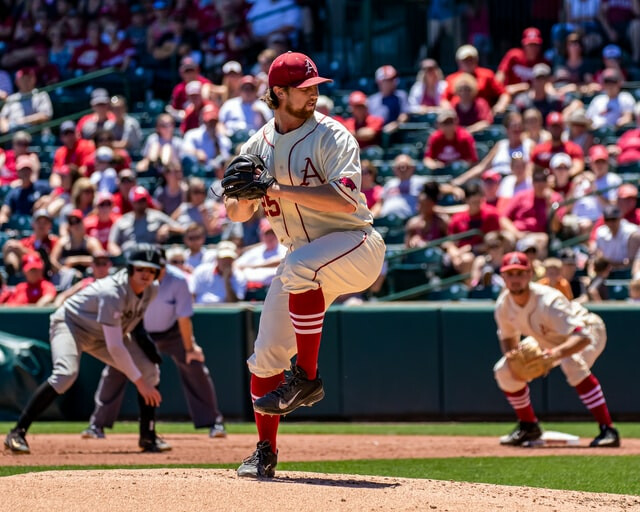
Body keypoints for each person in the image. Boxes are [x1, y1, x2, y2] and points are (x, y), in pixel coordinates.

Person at [224, 51, 386, 478]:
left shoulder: (333, 136)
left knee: (298, 267)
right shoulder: (257, 144)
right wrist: (238, 197)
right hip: (303, 259)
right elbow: (238, 214)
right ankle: (264, 452)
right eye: (305, 88)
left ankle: (308, 378)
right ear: (278, 93)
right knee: (264, 359)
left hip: (355, 243)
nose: (314, 93)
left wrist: (274, 186)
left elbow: (346, 197)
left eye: (316, 86)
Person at [4, 245, 169, 454]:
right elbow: (116, 346)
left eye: (151, 270)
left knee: (150, 371)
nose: (146, 274)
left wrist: (145, 360)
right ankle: (17, 432)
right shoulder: (112, 292)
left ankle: (148, 436)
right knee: (65, 374)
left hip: (102, 333)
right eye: (141, 269)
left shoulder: (151, 289)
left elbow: (132, 324)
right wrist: (139, 384)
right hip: (71, 324)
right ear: (130, 269)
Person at [81, 252, 226, 440]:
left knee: (194, 364)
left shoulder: (178, 280)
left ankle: (214, 423)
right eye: (147, 267)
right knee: (115, 368)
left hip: (171, 331)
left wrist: (190, 348)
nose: (151, 272)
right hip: (137, 332)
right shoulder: (132, 279)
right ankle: (96, 425)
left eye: (156, 267)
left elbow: (184, 318)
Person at [493, 251, 620, 447]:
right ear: (503, 277)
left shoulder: (549, 300)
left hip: (589, 330)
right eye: (510, 274)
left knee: (571, 363)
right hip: (546, 338)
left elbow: (582, 336)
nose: (515, 279)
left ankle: (608, 430)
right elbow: (508, 338)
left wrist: (554, 356)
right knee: (504, 371)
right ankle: (529, 426)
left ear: (530, 274)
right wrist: (512, 357)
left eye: (520, 273)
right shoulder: (504, 304)